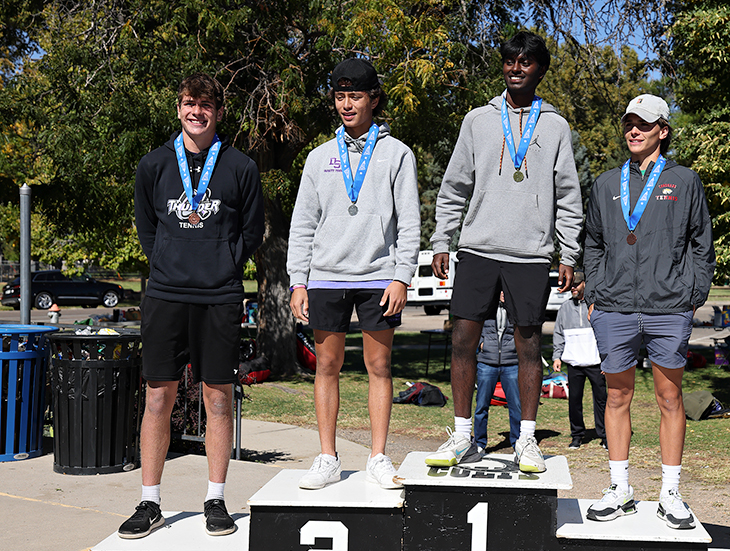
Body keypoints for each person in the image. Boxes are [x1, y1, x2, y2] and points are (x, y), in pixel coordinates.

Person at [425, 31, 583, 474]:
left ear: (540, 70)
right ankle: (462, 435)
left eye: (526, 62)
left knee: (529, 345)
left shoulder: (554, 126)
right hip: (477, 247)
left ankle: (526, 440)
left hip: (531, 253)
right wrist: (443, 238)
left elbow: (569, 195)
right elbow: (454, 185)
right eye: (510, 61)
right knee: (462, 340)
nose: (516, 68)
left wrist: (568, 253)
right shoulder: (478, 120)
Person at [123, 73, 264, 539]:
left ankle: (216, 498)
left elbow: (251, 230)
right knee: (158, 397)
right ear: (178, 107)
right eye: (188, 103)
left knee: (217, 400)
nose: (196, 112)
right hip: (166, 294)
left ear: (218, 112)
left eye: (205, 105)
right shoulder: (154, 164)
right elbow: (147, 225)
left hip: (219, 296)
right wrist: (166, 261)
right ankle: (150, 502)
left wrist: (223, 265)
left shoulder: (241, 166)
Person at [286, 58, 421, 491]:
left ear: (374, 99)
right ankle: (327, 457)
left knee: (379, 366)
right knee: (327, 364)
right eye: (340, 96)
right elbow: (303, 223)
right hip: (326, 276)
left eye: (356, 96)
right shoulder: (319, 157)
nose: (347, 104)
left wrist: (402, 276)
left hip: (379, 276)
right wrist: (298, 280)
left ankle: (379, 457)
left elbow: (410, 222)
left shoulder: (398, 153)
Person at [583, 94, 715, 528]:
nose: (633, 131)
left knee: (669, 398)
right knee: (616, 396)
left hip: (667, 307)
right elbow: (594, 243)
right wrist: (595, 291)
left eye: (643, 124)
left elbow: (702, 244)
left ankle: (671, 493)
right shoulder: (605, 184)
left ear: (663, 130)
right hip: (615, 307)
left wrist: (690, 294)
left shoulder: (685, 180)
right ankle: (619, 486)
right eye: (628, 124)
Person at [552, 271, 607, 450]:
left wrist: (607, 359)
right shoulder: (565, 308)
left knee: (601, 399)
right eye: (571, 285)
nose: (573, 287)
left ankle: (605, 435)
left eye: (576, 284)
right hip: (574, 363)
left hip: (595, 362)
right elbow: (559, 333)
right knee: (574, 400)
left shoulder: (597, 306)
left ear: (585, 284)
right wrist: (557, 356)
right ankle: (577, 435)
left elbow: (606, 334)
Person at [473, 292, 522, 453]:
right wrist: (481, 344)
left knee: (515, 406)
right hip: (487, 362)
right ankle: (479, 443)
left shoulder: (516, 309)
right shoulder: (486, 308)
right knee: (481, 405)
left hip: (511, 363)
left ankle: (517, 443)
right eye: (499, 291)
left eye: (505, 290)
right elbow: (474, 327)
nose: (503, 294)